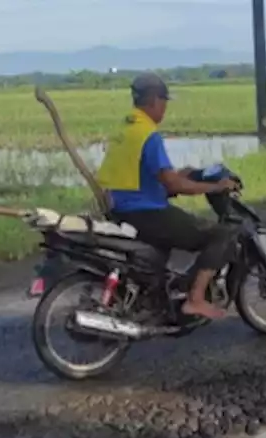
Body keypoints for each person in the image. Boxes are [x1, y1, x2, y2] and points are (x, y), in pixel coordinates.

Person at [96, 72, 239, 321]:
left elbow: (147, 173)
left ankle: (158, 300)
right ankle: (195, 299)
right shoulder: (148, 135)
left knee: (165, 248)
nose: (165, 108)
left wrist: (189, 175)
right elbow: (172, 182)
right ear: (153, 101)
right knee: (221, 234)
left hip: (120, 208)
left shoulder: (126, 129)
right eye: (164, 102)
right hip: (145, 213)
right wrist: (215, 188)